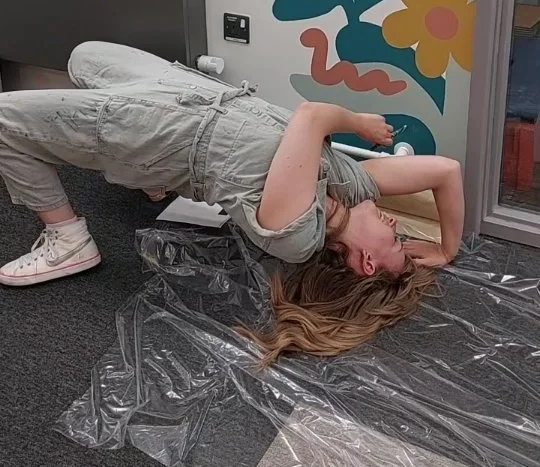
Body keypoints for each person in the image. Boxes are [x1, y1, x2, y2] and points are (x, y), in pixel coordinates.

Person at [0, 42, 464, 361]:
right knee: (86, 56)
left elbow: (312, 117)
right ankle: (148, 179)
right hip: (198, 97)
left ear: (366, 262)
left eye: (395, 240)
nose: (395, 225)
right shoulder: (353, 189)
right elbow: (446, 171)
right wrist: (447, 248)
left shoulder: (297, 235)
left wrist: (358, 123)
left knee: (4, 120)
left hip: (163, 132)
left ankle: (68, 239)